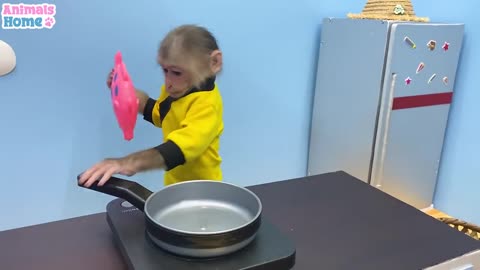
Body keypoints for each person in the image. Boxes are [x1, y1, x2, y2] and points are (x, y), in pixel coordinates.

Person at [78, 24, 224, 188]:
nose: (168, 83)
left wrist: (128, 163)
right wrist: (126, 95)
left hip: (204, 189)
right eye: (165, 70)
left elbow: (178, 150)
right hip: (174, 185)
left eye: (176, 73)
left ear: (214, 62)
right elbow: (160, 115)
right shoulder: (178, 91)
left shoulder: (206, 106)